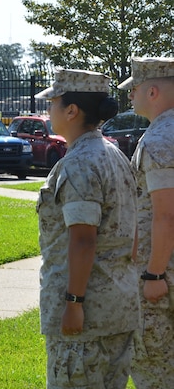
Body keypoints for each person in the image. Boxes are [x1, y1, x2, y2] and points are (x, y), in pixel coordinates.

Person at [35, 69, 139, 388]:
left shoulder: (81, 162)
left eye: (52, 102)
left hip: (88, 317)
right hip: (117, 306)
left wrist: (74, 304)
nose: (47, 110)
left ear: (71, 110)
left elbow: (83, 240)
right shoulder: (113, 154)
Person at [117, 57, 174, 388]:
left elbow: (166, 213)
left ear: (152, 91)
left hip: (163, 277)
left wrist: (154, 273)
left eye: (134, 89)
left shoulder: (159, 140)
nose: (130, 97)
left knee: (156, 369)